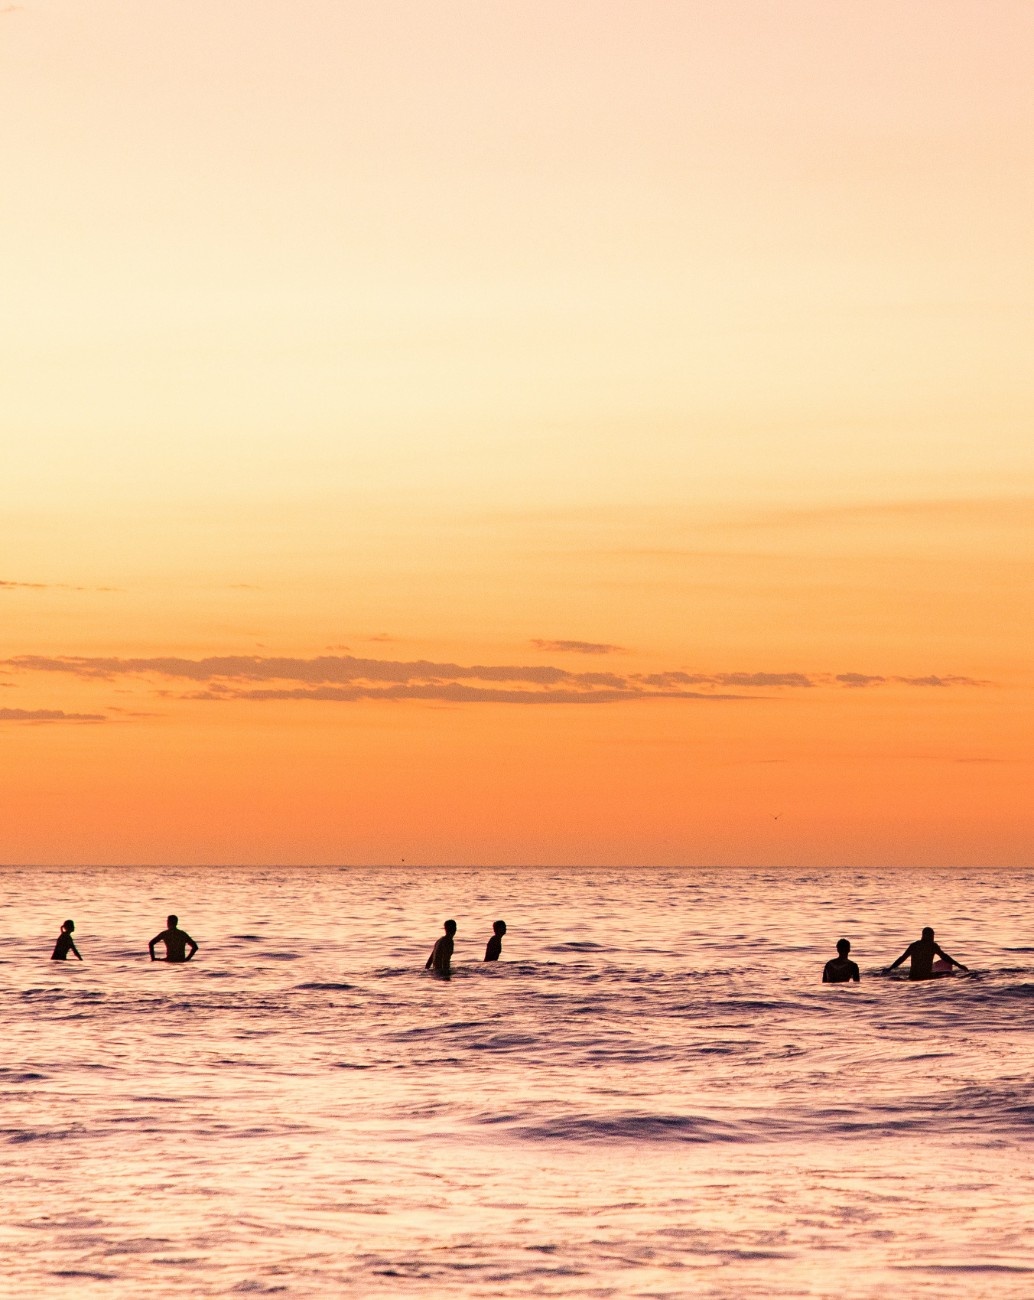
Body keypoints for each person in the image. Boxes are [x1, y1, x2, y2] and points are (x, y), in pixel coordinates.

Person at [886, 926, 967, 981]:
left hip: (912, 976)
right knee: (948, 973)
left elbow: (902, 959)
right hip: (926, 976)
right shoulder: (932, 946)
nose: (933, 938)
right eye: (932, 936)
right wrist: (959, 966)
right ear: (926, 935)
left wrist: (890, 969)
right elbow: (944, 957)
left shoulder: (914, 945)